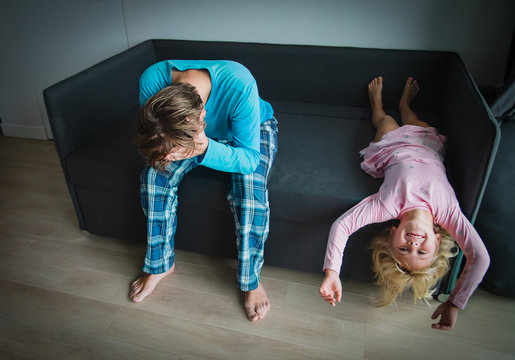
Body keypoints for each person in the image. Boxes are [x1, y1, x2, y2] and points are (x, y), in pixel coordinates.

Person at [319, 76, 490, 330]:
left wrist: (332, 271)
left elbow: (343, 226)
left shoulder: (389, 206)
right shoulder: (448, 213)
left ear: (393, 233)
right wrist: (455, 303)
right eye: (422, 251)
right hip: (426, 145)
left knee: (385, 121)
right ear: (438, 240)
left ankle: (376, 105)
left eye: (403, 249)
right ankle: (405, 103)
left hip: (392, 147)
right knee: (413, 119)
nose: (412, 245)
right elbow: (480, 259)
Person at [129, 60, 278, 322]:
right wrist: (167, 155)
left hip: (247, 135)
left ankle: (250, 282)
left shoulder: (239, 82)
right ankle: (160, 265)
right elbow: (156, 138)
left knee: (250, 192)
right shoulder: (151, 80)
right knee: (154, 176)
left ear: (202, 116)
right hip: (181, 133)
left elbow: (249, 159)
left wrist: (205, 147)